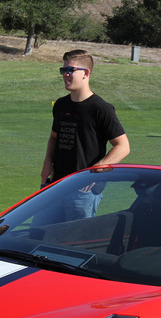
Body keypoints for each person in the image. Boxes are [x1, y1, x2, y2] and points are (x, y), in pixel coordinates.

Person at [41, 50, 130, 219]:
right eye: (63, 70)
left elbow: (123, 146)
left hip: (83, 190)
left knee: (75, 239)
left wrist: (94, 172)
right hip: (56, 185)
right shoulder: (61, 104)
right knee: (38, 233)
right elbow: (54, 137)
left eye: (70, 70)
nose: (65, 75)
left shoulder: (101, 108)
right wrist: (47, 163)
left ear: (86, 73)